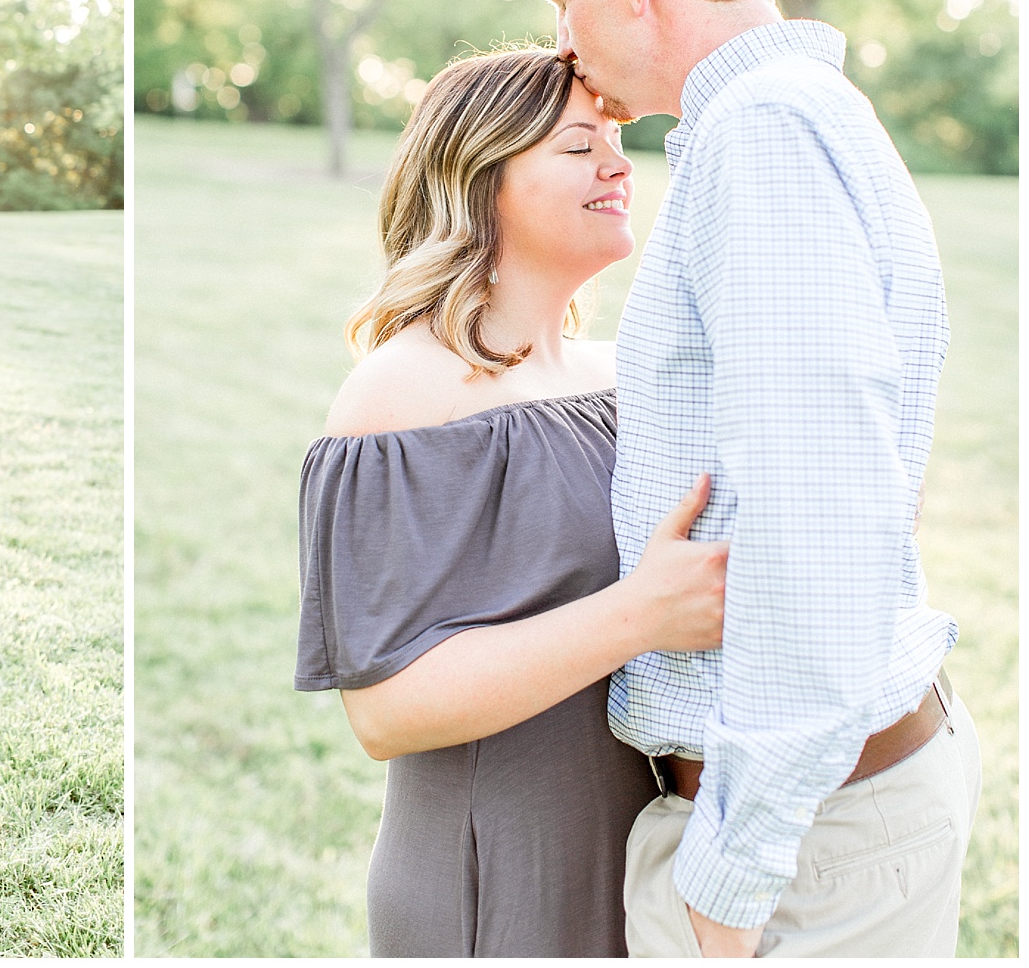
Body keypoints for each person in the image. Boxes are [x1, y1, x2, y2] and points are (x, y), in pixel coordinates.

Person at [533, 0, 979, 957]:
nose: (564, 40)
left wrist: (730, 879)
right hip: (832, 819)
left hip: (799, 855)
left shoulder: (762, 137)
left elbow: (818, 515)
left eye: (561, 0)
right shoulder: (805, 117)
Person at [295, 47, 729, 957]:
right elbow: (386, 712)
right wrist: (642, 612)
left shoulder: (622, 377)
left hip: (645, 856)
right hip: (499, 875)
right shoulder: (402, 393)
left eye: (616, 136)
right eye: (580, 146)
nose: (619, 163)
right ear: (483, 178)